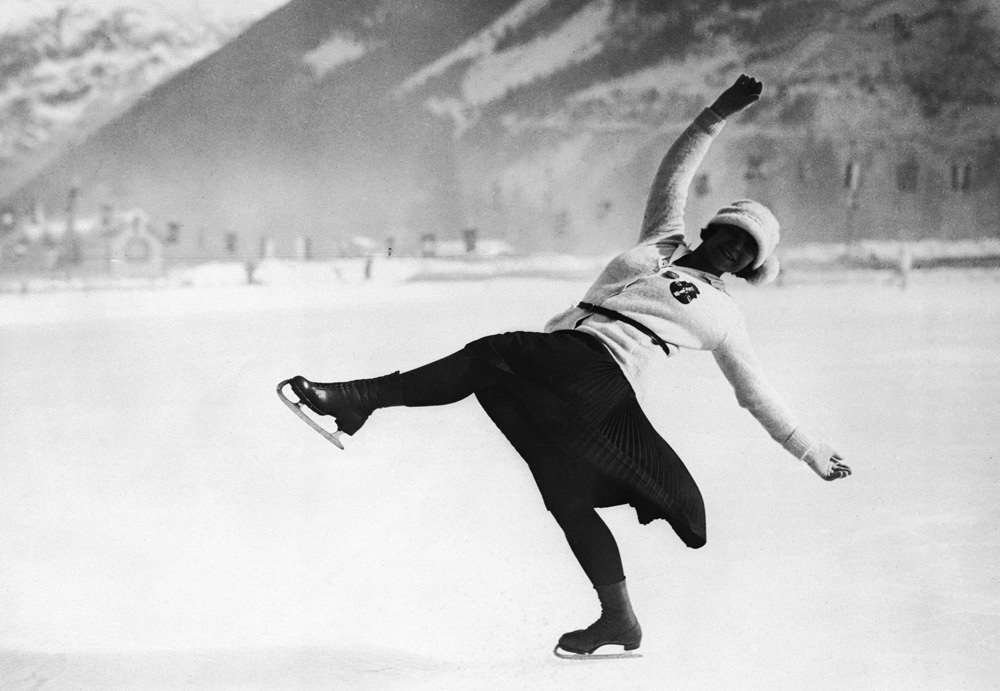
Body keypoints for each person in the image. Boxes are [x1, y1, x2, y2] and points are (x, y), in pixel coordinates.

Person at [282, 74, 852, 658]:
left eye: (748, 249)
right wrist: (717, 114)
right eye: (732, 232)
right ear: (712, 227)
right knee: (566, 497)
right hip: (568, 365)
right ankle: (619, 620)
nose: (735, 246)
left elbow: (755, 393)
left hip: (604, 378)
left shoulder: (724, 313)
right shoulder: (660, 240)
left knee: (498, 352)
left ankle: (358, 399)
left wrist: (812, 450)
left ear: (750, 266)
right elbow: (674, 171)